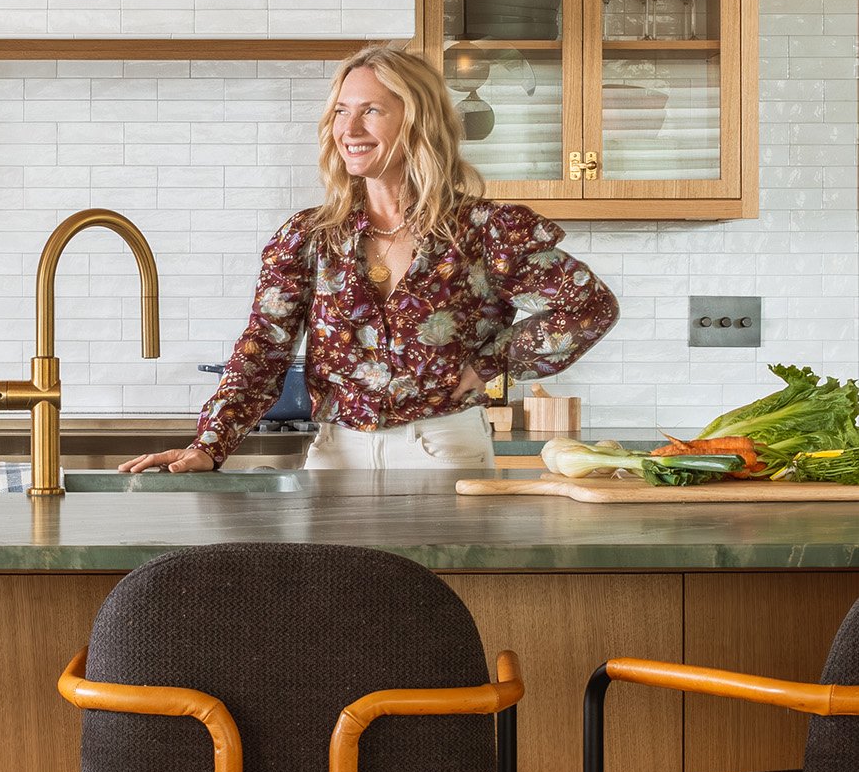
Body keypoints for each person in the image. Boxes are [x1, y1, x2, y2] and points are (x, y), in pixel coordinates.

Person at [120, 42, 619, 473]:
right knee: (334, 587)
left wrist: (489, 362)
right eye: (341, 110)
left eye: (372, 110)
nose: (350, 128)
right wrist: (210, 444)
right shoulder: (309, 237)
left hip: (444, 447)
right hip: (338, 452)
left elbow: (590, 307)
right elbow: (264, 347)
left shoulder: (486, 232)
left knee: (435, 586)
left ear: (417, 120)